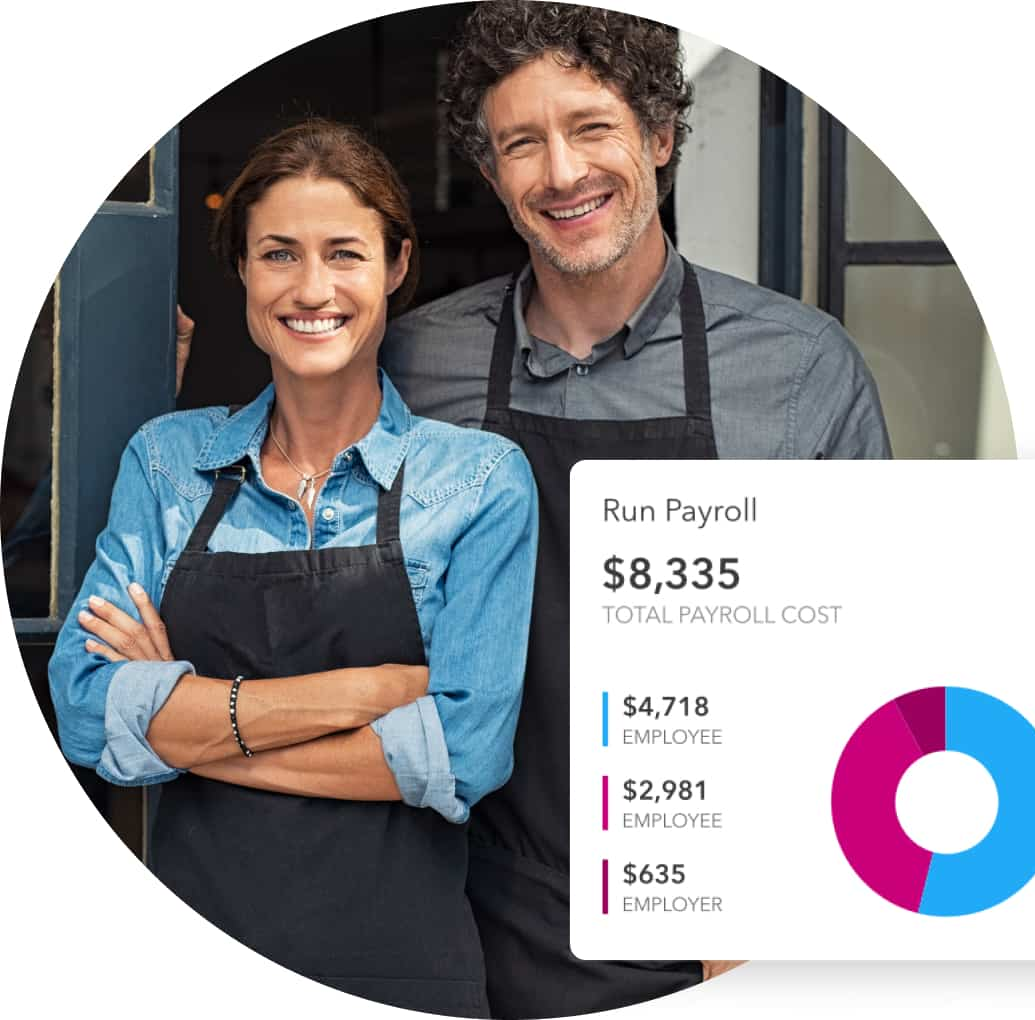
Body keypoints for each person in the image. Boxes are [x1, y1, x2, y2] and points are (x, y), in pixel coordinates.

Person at [378, 3, 892, 1018]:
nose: (562, 172)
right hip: (453, 909)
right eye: (522, 142)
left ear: (659, 136)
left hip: (710, 927)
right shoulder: (411, 359)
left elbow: (859, 673)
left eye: (592, 127)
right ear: (493, 175)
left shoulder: (794, 367)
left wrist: (759, 923)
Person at [48, 118, 538, 1019]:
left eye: (345, 253)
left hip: (402, 974)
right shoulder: (167, 463)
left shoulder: (474, 480)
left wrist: (185, 730)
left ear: (396, 267)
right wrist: (371, 692)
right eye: (278, 253)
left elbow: (464, 756)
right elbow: (84, 710)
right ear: (241, 269)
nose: (313, 288)